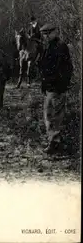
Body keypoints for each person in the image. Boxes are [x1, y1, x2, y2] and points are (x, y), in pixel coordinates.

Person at [38, 23, 73, 155]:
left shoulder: (61, 47)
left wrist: (61, 85)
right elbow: (44, 68)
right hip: (49, 88)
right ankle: (54, 141)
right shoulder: (48, 47)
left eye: (48, 33)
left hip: (56, 88)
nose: (46, 36)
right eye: (44, 34)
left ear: (55, 32)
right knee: (49, 116)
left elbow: (66, 69)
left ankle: (55, 143)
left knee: (54, 117)